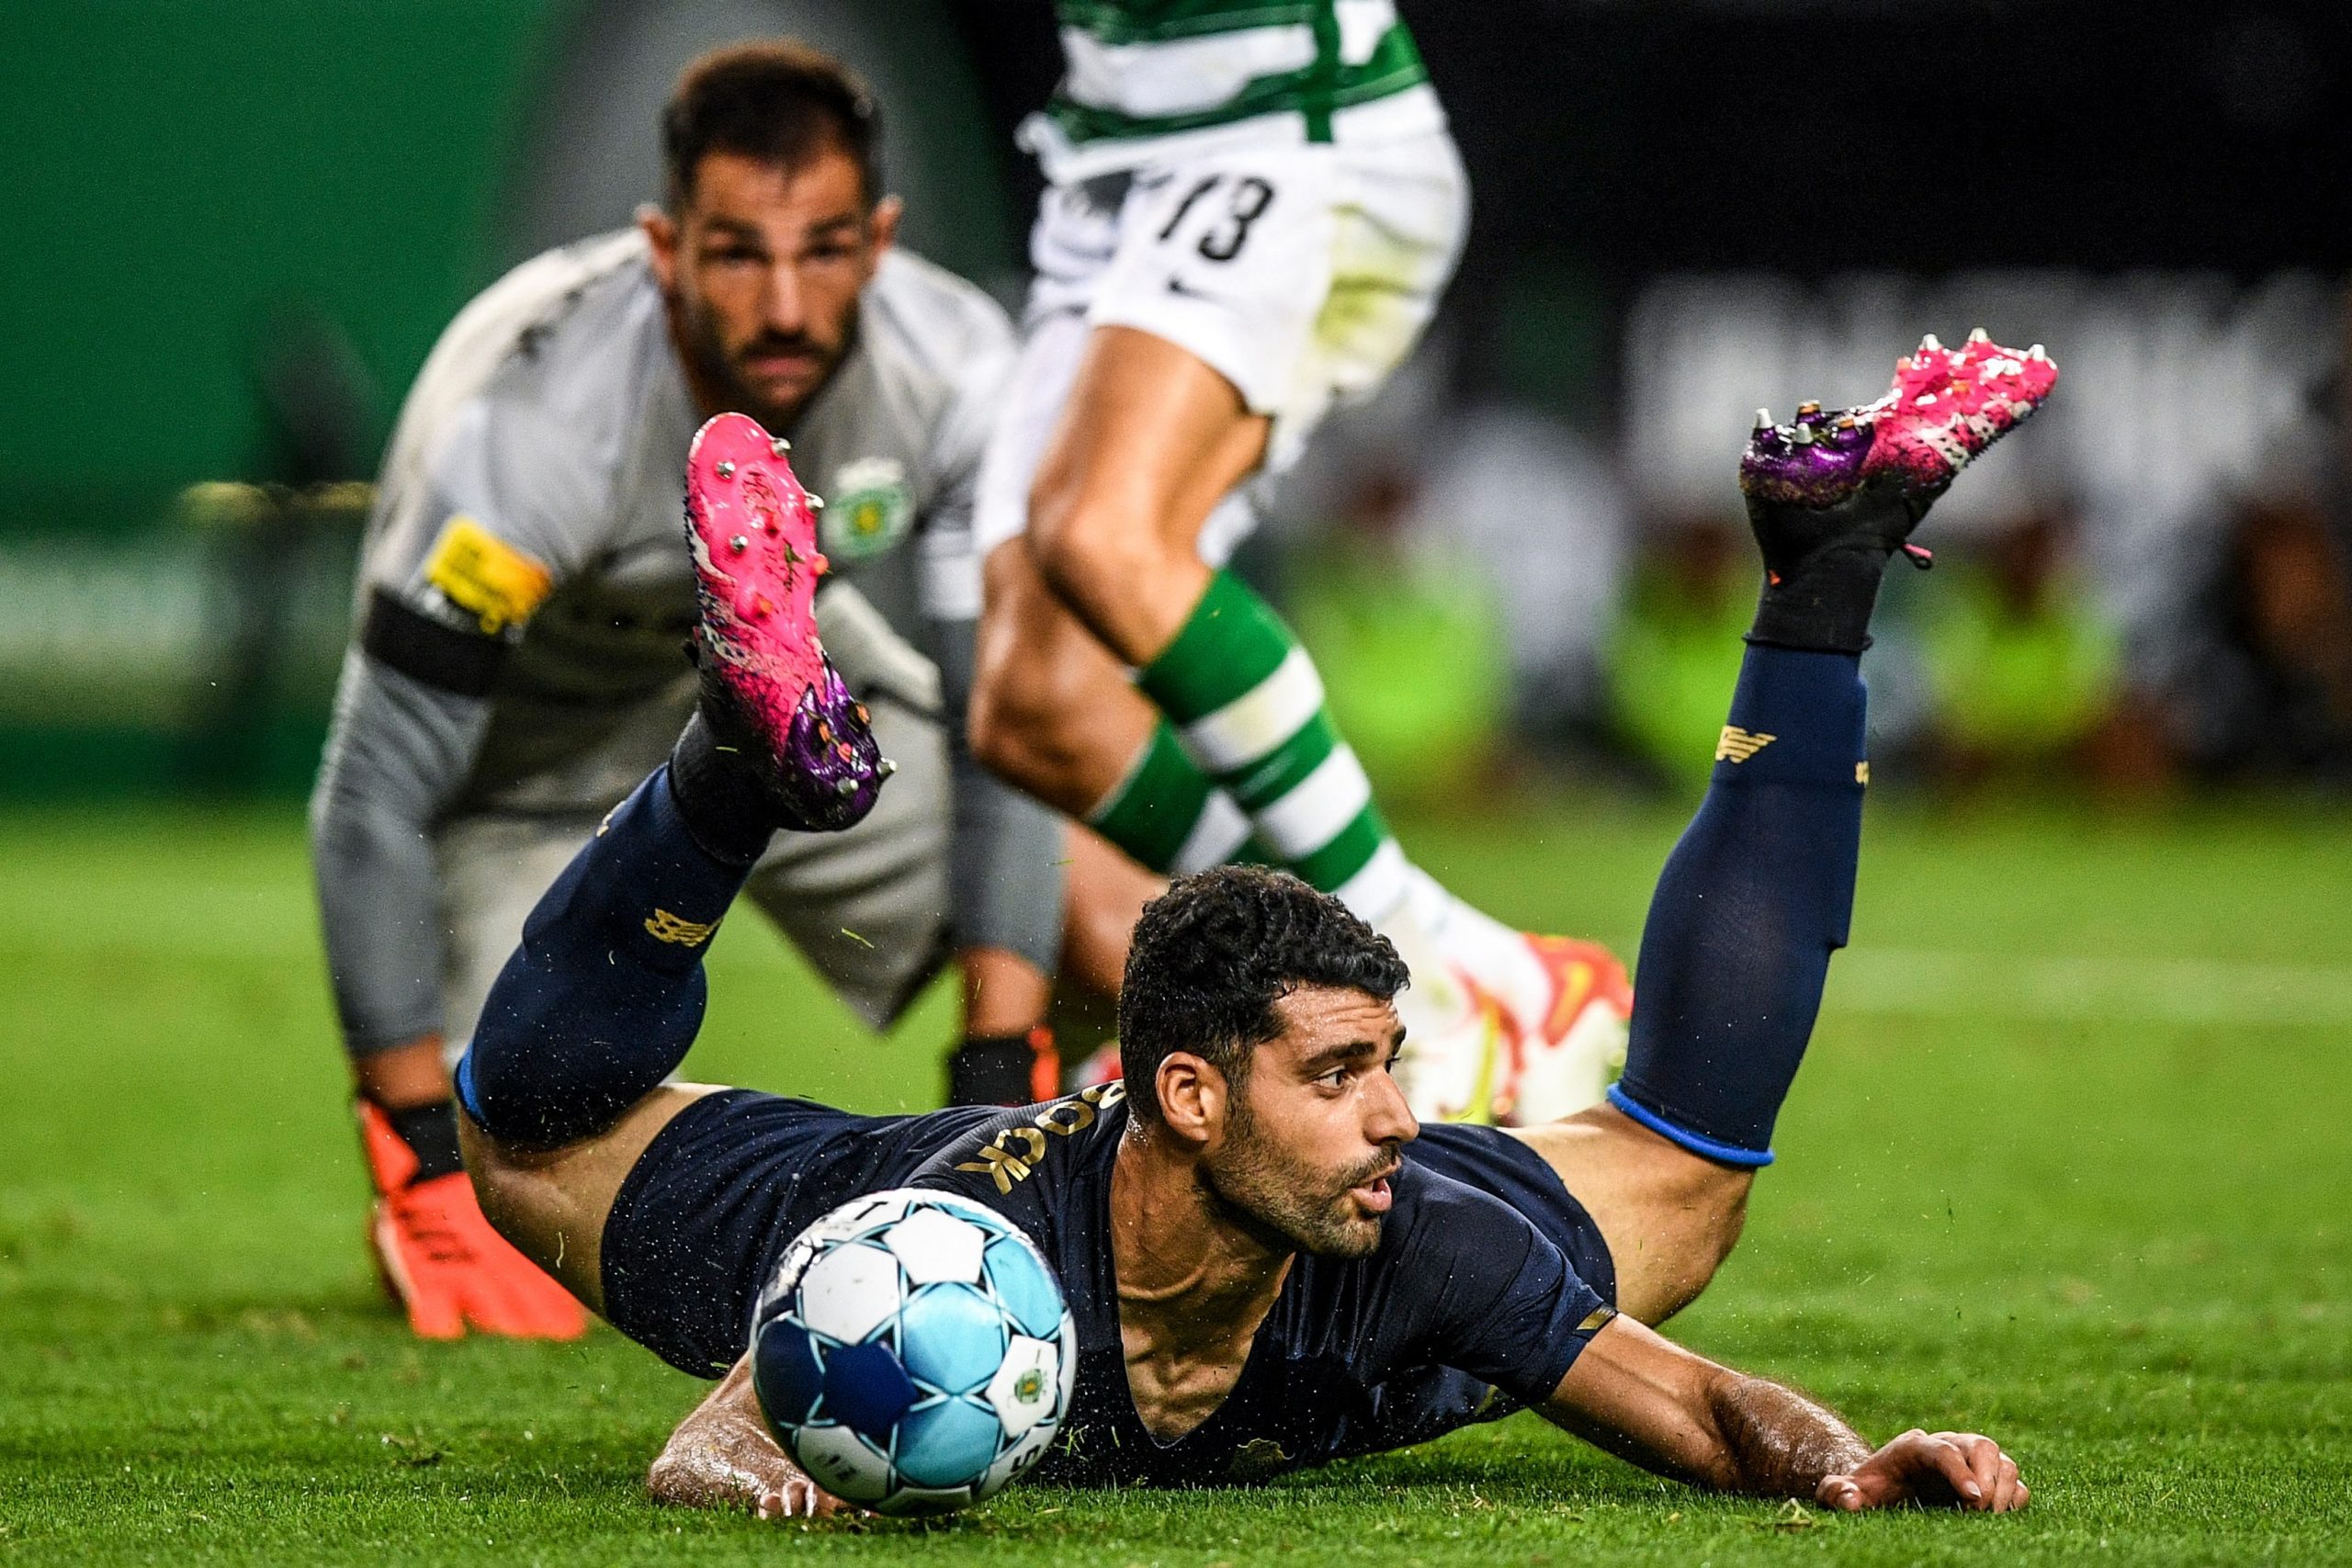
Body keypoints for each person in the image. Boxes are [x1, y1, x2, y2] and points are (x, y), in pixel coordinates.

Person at [453, 333, 2052, 1511]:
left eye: (1389, 1062)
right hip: (790, 1208)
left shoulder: (1417, 1214)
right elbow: (709, 1446)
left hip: (1233, 1237)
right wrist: (767, 1466)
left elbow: (1704, 1413)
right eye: (1345, 1072)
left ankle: (1824, 577)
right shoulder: (973, 1247)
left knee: (1693, 1190)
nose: (1402, 1115)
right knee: (518, 1121)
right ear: (1191, 1093)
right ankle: (736, 770)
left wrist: (1857, 1468)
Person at [309, 41, 1148, 1342]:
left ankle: (1173, 1159)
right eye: (739, 254)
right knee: (528, 1149)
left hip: (791, 696)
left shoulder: (957, 365)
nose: (786, 305)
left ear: (880, 239)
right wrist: (418, 1151)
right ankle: (464, 1163)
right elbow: (374, 790)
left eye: (822, 250)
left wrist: (998, 1075)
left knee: (1108, 920)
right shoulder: (533, 422)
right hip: (525, 783)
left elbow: (1001, 737)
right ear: (662, 247)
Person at [961, 1, 1626, 1125]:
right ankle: (1498, 979)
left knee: (1105, 538)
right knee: (1034, 706)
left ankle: (1409, 994)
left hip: (1294, 133)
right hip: (1116, 168)